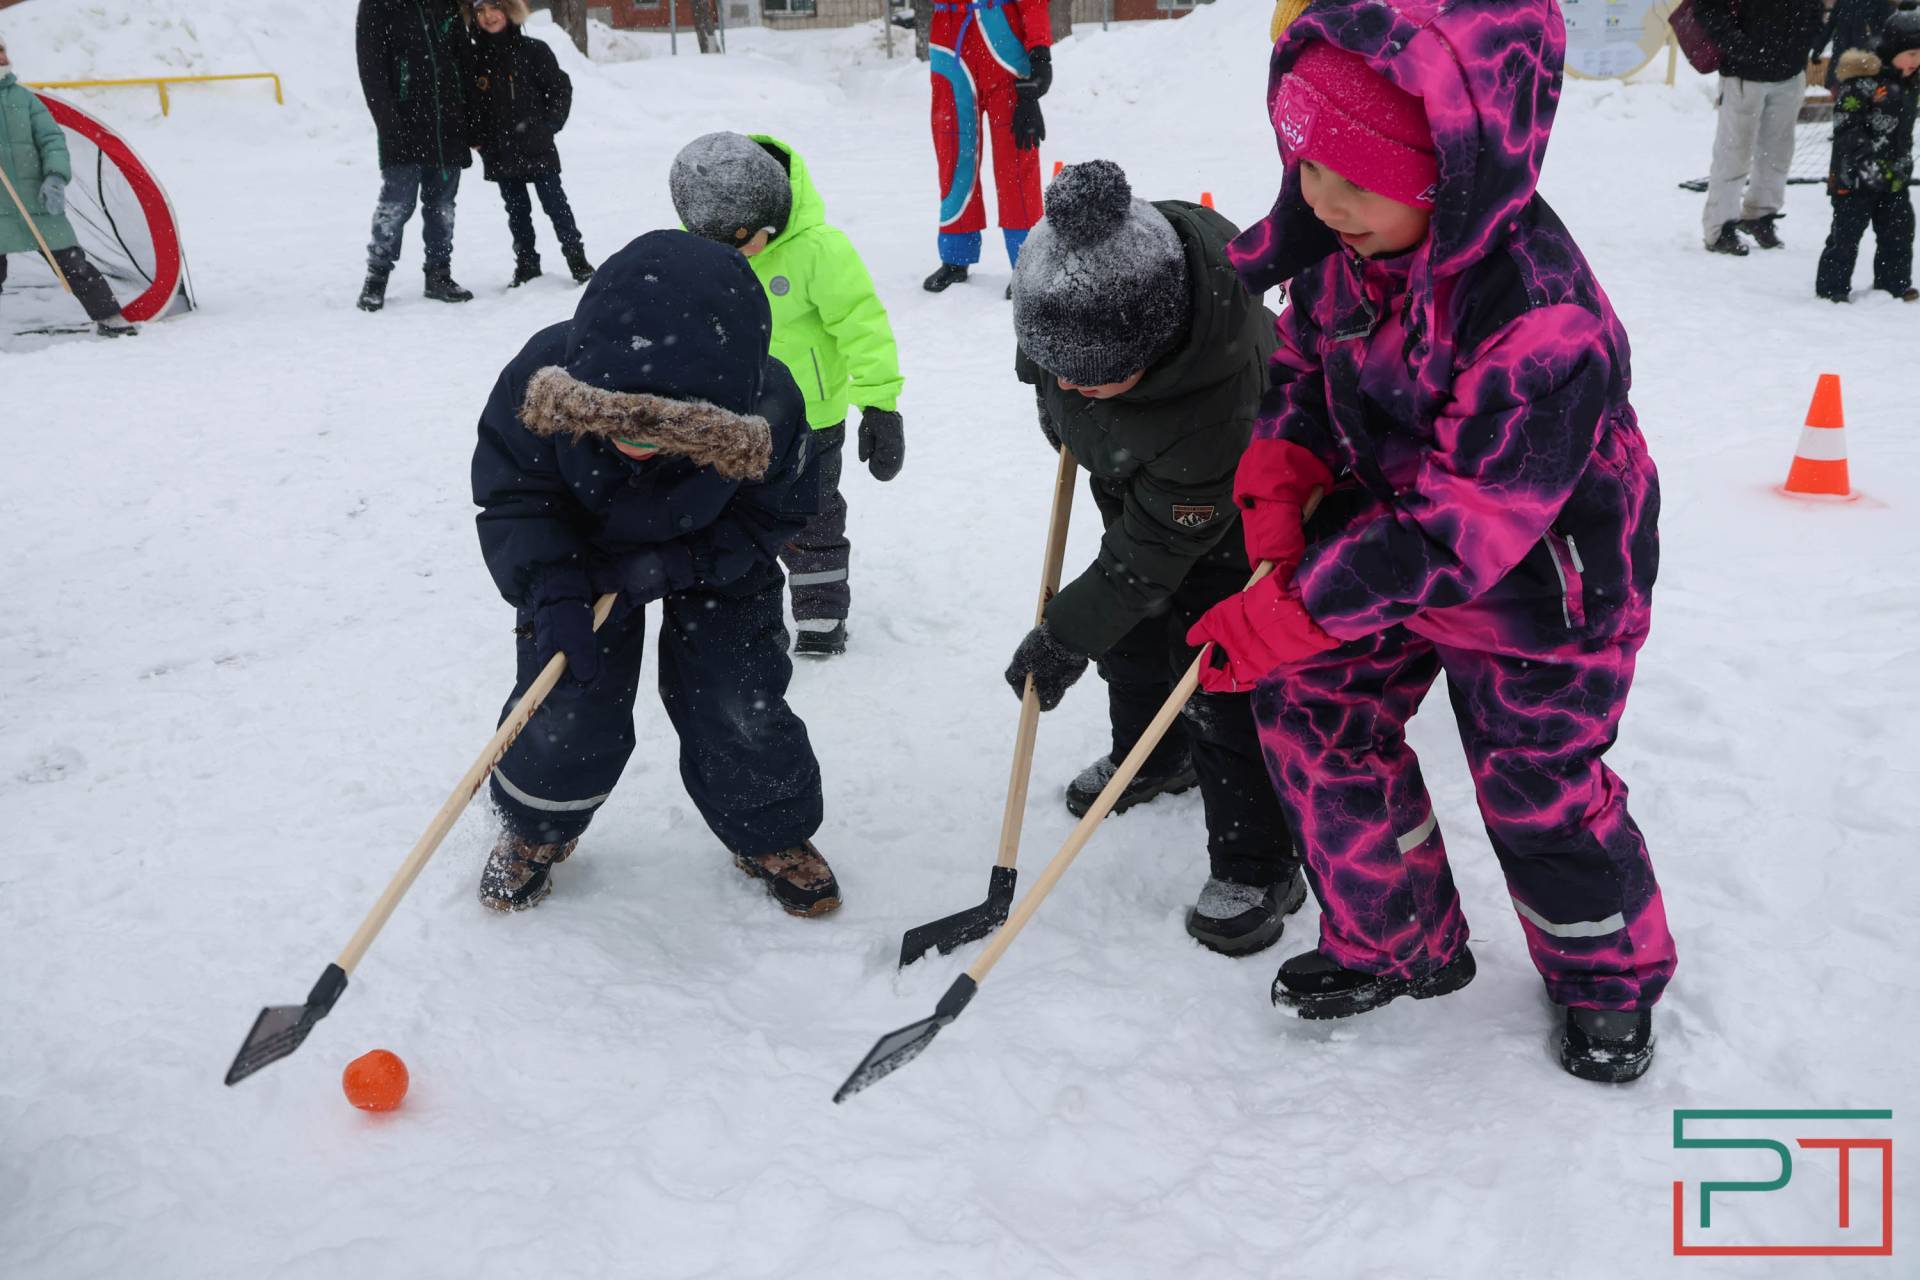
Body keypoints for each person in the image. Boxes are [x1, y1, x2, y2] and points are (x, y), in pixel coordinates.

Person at [1192, 1, 1677, 1082]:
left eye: (1359, 179)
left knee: (1535, 786)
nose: (1325, 201)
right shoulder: (1348, 248)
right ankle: (1399, 934)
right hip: (1390, 542)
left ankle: (1605, 979)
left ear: (1453, 173)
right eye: (1309, 166)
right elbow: (1306, 365)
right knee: (1310, 704)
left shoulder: (1542, 320)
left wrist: (1299, 607)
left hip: (1545, 584)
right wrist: (1283, 467)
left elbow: (1466, 528)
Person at [471, 231, 841, 918]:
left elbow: (775, 514)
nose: (634, 444)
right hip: (581, 553)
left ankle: (770, 827)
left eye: (664, 433)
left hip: (714, 552)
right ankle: (538, 823)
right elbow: (516, 496)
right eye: (617, 426)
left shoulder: (770, 409)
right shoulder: (541, 382)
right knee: (567, 692)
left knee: (737, 693)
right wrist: (551, 583)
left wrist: (684, 561)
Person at [1002, 161, 1306, 956]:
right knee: (1134, 638)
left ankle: (1262, 863)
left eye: (1095, 378)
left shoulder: (1219, 402)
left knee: (1217, 682)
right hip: (1141, 473)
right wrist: (1059, 397)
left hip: (1237, 522)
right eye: (1059, 367)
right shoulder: (1075, 284)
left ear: (1157, 345)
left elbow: (1155, 551)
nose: (1071, 384)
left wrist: (1067, 633)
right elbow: (1048, 356)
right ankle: (1157, 755)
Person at [669, 132, 905, 656]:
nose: (741, 252)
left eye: (745, 238)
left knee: (812, 514)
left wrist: (880, 404)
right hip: (730, 420)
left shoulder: (820, 250)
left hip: (811, 420)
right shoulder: (696, 252)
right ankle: (735, 609)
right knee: (730, 515)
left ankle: (820, 610)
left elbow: (863, 326)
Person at [0, 35, 136, 337]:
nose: (1, 56)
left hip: (35, 201)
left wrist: (55, 177)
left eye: (2, 50)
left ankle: (109, 317)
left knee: (73, 264)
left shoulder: (24, 99)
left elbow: (52, 141)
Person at [922, 0, 1054, 294]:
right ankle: (956, 255)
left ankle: (1026, 263)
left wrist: (1039, 52)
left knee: (1016, 162)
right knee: (953, 154)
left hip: (1004, 43)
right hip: (949, 45)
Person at [355, 0, 474, 311]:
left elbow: (464, 60)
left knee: (442, 205)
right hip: (403, 124)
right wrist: (388, 122)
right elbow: (371, 70)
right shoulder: (377, 6)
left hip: (448, 124)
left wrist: (472, 119)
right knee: (396, 204)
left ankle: (439, 274)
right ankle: (376, 277)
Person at [467, 0, 593, 289]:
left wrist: (549, 126)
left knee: (556, 206)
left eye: (494, 8)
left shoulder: (533, 50)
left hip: (537, 146)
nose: (488, 16)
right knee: (517, 212)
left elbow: (559, 88)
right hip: (499, 151)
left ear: (509, 10)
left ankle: (577, 259)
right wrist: (476, 137)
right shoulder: (474, 59)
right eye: (481, 11)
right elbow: (468, 104)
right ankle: (526, 264)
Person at [1691, 0, 1827, 254]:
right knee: (1734, 153)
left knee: (1778, 152)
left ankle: (1760, 215)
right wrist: (1740, 46)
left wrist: (1808, 37)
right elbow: (1707, 9)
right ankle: (1720, 227)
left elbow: (1814, 8)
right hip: (1743, 74)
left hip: (1789, 70)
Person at [1816, 5, 1920, 302]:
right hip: (1854, 176)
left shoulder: (1909, 82)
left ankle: (1893, 284)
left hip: (1894, 175)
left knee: (1898, 231)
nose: (1916, 61)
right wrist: (1865, 163)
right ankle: (1832, 289)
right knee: (1846, 235)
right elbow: (1846, 126)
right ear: (1893, 50)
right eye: (1911, 53)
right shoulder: (1862, 80)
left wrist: (1898, 164)